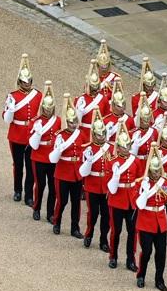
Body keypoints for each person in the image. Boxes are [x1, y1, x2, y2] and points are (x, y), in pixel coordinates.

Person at [134, 145, 167, 291]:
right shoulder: (141, 183)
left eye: (158, 170)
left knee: (161, 253)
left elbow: (166, 200)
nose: (156, 174)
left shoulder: (165, 182)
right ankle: (141, 275)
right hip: (145, 221)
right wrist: (144, 190)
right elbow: (139, 204)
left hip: (160, 221)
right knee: (147, 251)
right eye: (153, 171)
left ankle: (159, 279)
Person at [4, 54, 40, 203]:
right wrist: (11, 109)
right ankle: (17, 190)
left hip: (31, 134)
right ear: (19, 82)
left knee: (31, 167)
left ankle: (29, 195)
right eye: (24, 82)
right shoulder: (12, 96)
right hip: (16, 135)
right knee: (18, 165)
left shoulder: (38, 95)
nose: (27, 84)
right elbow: (7, 119)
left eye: (29, 81)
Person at [50, 93, 86, 237]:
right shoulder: (60, 135)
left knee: (76, 202)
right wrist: (59, 148)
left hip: (76, 172)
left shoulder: (81, 134)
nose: (73, 125)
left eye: (74, 122)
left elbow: (84, 150)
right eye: (70, 122)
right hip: (63, 172)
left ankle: (74, 227)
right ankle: (57, 222)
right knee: (62, 200)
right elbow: (55, 156)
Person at [106, 129, 143, 271]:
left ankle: (130, 259)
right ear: (118, 147)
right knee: (116, 231)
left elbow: (139, 179)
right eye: (124, 146)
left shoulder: (136, 161)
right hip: (117, 199)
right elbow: (110, 185)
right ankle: (113, 256)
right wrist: (115, 176)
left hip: (131, 199)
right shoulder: (112, 162)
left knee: (132, 232)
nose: (126, 149)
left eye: (128, 146)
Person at [27, 82, 61, 222]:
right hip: (39, 156)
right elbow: (32, 144)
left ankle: (50, 213)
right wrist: (38, 133)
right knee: (40, 185)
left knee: (53, 188)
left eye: (50, 108)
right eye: (46, 109)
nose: (48, 111)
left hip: (52, 157)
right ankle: (36, 208)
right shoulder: (36, 121)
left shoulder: (57, 120)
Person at [79, 118, 111, 248]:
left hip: (106, 186)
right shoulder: (88, 149)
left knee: (106, 215)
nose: (101, 137)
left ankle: (104, 240)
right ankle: (89, 234)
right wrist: (88, 161)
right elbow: (84, 172)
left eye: (103, 134)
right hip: (92, 185)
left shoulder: (111, 148)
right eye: (99, 134)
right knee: (93, 214)